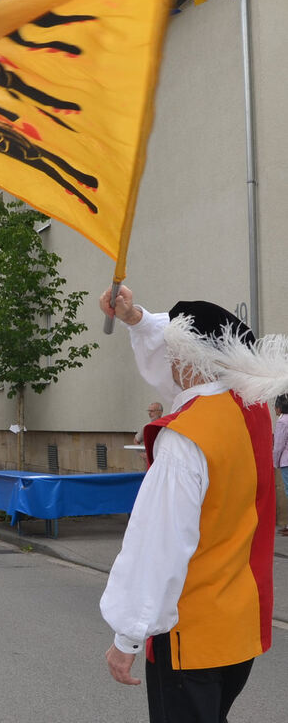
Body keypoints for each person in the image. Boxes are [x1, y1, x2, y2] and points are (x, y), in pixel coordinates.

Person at [98, 285, 283, 723]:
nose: (168, 359)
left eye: (174, 350)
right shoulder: (253, 411)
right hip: (239, 633)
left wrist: (127, 638)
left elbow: (157, 546)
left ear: (189, 358)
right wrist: (136, 318)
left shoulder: (187, 438)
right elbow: (193, 371)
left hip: (191, 639)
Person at [273, 393, 288, 535]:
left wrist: (275, 462)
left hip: (286, 462)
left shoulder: (282, 422)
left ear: (279, 408)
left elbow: (278, 446)